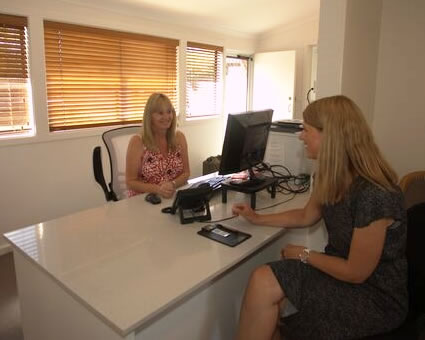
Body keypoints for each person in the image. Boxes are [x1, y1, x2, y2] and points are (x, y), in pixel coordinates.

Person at [232, 95, 408, 340]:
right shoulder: (330, 174)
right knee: (263, 283)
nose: (300, 136)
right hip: (341, 273)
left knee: (270, 298)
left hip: (373, 295)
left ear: (330, 136)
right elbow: (307, 215)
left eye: (306, 129)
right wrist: (257, 218)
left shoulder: (374, 194)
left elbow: (355, 272)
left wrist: (304, 255)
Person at [126, 93, 190, 198]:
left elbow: (186, 173)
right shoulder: (137, 141)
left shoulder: (179, 137)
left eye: (169, 112)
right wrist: (158, 189)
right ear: (149, 116)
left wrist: (172, 184)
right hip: (145, 199)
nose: (166, 117)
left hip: (173, 196)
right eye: (160, 113)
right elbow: (130, 181)